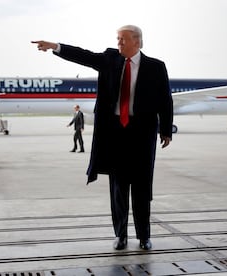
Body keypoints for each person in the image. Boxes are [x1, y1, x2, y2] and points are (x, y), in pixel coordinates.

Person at [32, 24, 173, 250]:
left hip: (142, 133)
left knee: (141, 187)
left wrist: (166, 130)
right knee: (118, 188)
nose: (118, 43)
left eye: (122, 40)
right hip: (115, 131)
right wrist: (55, 47)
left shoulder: (156, 67)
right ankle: (121, 235)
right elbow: (83, 56)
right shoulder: (110, 59)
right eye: (117, 39)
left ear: (136, 42)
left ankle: (144, 236)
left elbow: (165, 99)